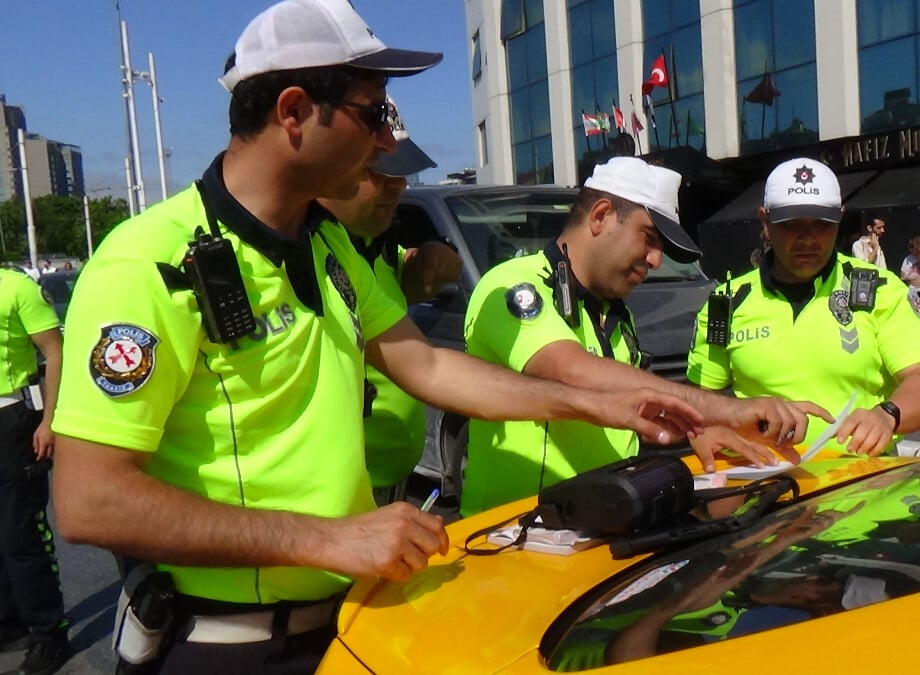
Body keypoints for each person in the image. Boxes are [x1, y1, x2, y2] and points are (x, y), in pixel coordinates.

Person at [48, 1, 705, 672]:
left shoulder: (328, 244)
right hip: (224, 646)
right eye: (374, 114)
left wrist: (599, 403)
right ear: (295, 112)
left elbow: (426, 364)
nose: (389, 143)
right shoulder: (148, 261)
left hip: (349, 623)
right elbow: (90, 499)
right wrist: (327, 539)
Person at [460, 156, 832, 516]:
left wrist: (699, 432)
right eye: (649, 238)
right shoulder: (514, 284)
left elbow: (626, 421)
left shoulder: (616, 315)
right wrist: (730, 411)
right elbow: (571, 371)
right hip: (514, 537)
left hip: (597, 528)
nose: (655, 260)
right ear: (601, 216)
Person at [688, 157, 920, 459]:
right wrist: (706, 431)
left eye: (822, 225)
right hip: (762, 487)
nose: (808, 239)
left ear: (839, 219)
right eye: (792, 225)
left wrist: (887, 415)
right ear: (765, 222)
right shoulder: (728, 302)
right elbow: (702, 400)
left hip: (858, 487)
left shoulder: (881, 290)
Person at [318, 98, 463, 506]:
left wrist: (436, 251)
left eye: (402, 172)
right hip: (334, 500)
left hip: (391, 486)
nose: (398, 185)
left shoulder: (373, 251)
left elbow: (416, 282)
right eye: (379, 172)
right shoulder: (303, 254)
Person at [0, 267, 71, 675]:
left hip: (12, 420)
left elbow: (55, 351)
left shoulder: (17, 288)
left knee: (21, 533)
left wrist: (50, 419)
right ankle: (9, 624)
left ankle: (49, 633)